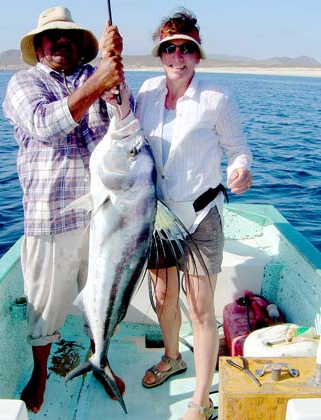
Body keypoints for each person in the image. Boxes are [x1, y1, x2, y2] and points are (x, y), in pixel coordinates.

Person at [3, 6, 131, 413]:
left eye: (69, 37)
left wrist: (116, 78)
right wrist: (99, 81)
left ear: (79, 47)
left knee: (101, 296)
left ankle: (102, 359)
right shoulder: (23, 83)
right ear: (39, 47)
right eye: (52, 37)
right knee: (46, 307)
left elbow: (123, 122)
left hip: (100, 215)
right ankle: (39, 375)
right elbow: (46, 123)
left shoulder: (92, 79)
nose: (61, 42)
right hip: (49, 218)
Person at [135, 8, 252, 420]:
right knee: (164, 296)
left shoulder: (217, 98)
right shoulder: (145, 93)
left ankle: (200, 401)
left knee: (200, 306)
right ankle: (172, 358)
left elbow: (238, 150)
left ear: (197, 55)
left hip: (202, 215)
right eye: (169, 48)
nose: (177, 56)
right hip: (160, 218)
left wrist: (240, 171)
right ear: (160, 54)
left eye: (186, 48)